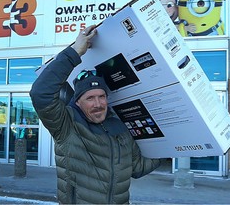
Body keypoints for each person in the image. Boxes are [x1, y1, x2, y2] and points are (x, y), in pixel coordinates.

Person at [30, 25, 163, 204]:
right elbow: (41, 93)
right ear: (77, 102)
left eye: (101, 96)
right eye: (90, 98)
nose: (98, 104)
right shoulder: (66, 125)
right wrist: (75, 52)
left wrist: (169, 148)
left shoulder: (121, 128)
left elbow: (137, 168)